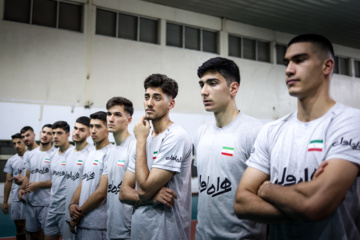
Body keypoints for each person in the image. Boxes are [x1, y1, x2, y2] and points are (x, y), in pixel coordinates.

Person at [234, 34, 360, 239]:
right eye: (287, 62)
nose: (289, 70)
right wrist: (304, 205)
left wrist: (266, 189)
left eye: (300, 60)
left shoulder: (350, 122)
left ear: (326, 66)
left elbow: (316, 203)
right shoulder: (272, 130)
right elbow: (241, 202)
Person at [194, 57, 266, 239]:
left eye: (212, 83)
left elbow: (265, 194)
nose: (204, 91)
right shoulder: (201, 133)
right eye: (202, 84)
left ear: (233, 88)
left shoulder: (254, 132)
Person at [119, 74, 192, 240]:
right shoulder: (143, 137)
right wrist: (152, 198)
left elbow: (143, 189)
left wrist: (141, 140)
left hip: (167, 233)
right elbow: (123, 193)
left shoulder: (176, 136)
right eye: (147, 97)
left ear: (170, 104)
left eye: (157, 98)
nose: (149, 103)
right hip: (140, 231)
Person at [68, 111, 112, 240]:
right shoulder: (91, 153)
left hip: (97, 224)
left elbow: (101, 193)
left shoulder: (110, 153)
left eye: (98, 127)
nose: (93, 130)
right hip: (83, 221)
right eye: (91, 126)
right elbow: (84, 181)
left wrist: (78, 214)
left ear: (108, 129)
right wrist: (72, 204)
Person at [104, 97, 135, 240]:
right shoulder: (110, 151)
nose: (111, 119)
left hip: (130, 230)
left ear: (129, 120)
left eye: (117, 115)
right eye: (109, 114)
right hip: (111, 228)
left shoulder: (135, 147)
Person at [18, 124, 55, 240]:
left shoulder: (56, 155)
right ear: (40, 133)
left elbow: (58, 182)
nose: (45, 135)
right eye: (44, 132)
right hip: (31, 202)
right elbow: (28, 176)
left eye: (49, 133)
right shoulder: (30, 154)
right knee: (33, 234)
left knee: (47, 235)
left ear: (53, 137)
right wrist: (21, 189)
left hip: (47, 203)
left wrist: (38, 185)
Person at [63, 116, 94, 240]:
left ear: (89, 133)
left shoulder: (91, 153)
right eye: (75, 128)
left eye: (81, 130)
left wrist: (78, 213)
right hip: (67, 212)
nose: (76, 132)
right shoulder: (69, 152)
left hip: (82, 214)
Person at [44, 121, 74, 240]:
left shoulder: (74, 153)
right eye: (54, 133)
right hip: (52, 208)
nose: (55, 136)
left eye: (59, 133)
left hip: (66, 210)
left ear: (67, 135)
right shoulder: (53, 155)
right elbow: (54, 180)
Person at [3, 133, 27, 240]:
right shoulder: (11, 161)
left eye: (19, 142)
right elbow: (8, 182)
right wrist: (5, 202)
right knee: (19, 226)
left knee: (34, 227)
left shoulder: (33, 157)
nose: (17, 145)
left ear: (24, 142)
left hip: (32, 196)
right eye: (14, 143)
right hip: (16, 197)